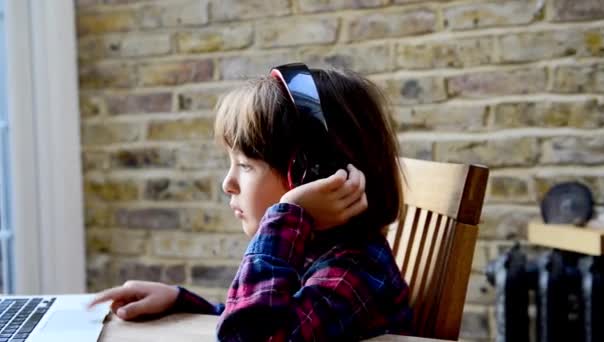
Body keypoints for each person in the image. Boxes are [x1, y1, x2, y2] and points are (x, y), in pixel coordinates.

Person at [89, 63, 412, 341]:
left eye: (245, 165)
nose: (227, 184)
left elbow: (253, 336)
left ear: (311, 175)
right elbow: (274, 317)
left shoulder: (353, 270)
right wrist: (181, 302)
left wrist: (288, 215)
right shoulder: (319, 251)